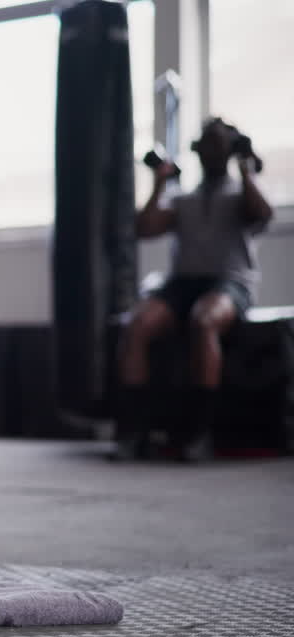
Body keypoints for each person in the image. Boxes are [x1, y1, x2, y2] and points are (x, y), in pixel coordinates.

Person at [113, 117, 274, 462]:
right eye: (207, 141)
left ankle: (199, 433)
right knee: (136, 325)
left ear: (230, 148)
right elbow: (144, 229)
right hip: (182, 283)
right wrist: (159, 184)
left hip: (230, 283)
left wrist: (247, 169)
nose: (212, 148)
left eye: (220, 141)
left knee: (204, 321)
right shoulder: (183, 198)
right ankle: (133, 433)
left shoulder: (240, 192)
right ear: (197, 149)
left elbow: (261, 214)